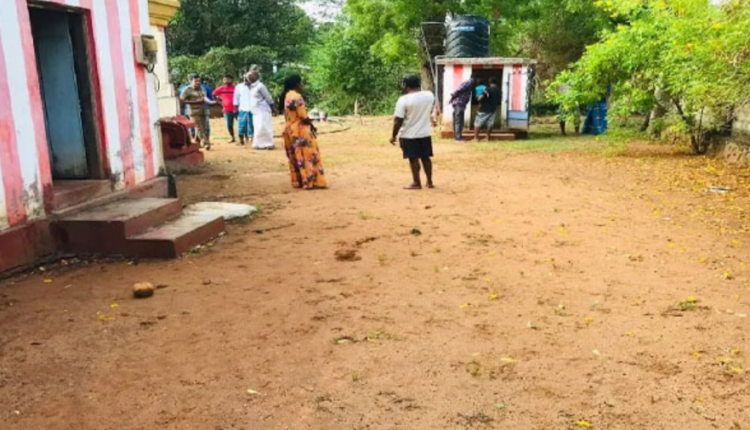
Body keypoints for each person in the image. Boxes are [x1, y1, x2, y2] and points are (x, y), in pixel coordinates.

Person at [280, 75, 327, 189]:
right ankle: (311, 180)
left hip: (289, 129)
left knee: (295, 155)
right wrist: (312, 124)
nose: (302, 85)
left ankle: (298, 180)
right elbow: (303, 116)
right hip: (300, 129)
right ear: (296, 84)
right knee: (308, 154)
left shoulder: (287, 95)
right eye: (301, 83)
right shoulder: (297, 96)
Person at [390, 74, 435, 190]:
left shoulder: (403, 100)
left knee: (413, 158)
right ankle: (429, 181)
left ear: (406, 85)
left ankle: (416, 182)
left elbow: (398, 120)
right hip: (425, 133)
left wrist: (393, 135)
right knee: (426, 158)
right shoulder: (429, 95)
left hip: (409, 134)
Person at [180, 74, 217, 150]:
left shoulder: (202, 89)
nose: (198, 82)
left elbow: (204, 98)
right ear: (191, 81)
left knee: (202, 128)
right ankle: (205, 143)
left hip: (203, 110)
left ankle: (196, 141)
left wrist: (211, 102)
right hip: (193, 112)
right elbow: (182, 101)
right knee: (199, 127)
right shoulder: (187, 90)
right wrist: (194, 102)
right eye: (196, 81)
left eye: (199, 81)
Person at [246, 70, 275, 150]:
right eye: (248, 76)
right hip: (255, 111)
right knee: (258, 127)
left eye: (251, 75)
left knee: (264, 127)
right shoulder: (250, 86)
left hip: (263, 110)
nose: (248, 77)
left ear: (256, 76)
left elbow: (268, 97)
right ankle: (258, 144)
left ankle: (268, 144)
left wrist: (272, 106)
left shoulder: (260, 86)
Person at [474, 77, 501, 142]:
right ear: (496, 83)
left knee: (477, 123)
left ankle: (476, 138)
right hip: (493, 109)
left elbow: (481, 98)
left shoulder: (487, 89)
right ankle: (487, 138)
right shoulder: (499, 91)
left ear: (490, 83)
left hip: (484, 109)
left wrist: (479, 98)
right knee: (490, 124)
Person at [213, 74, 237, 143]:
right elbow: (213, 94)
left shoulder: (236, 88)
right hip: (227, 110)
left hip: (237, 109)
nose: (226, 81)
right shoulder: (221, 88)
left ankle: (244, 137)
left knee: (242, 124)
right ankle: (232, 137)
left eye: (228, 79)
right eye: (225, 79)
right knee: (229, 125)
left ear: (232, 80)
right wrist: (219, 102)